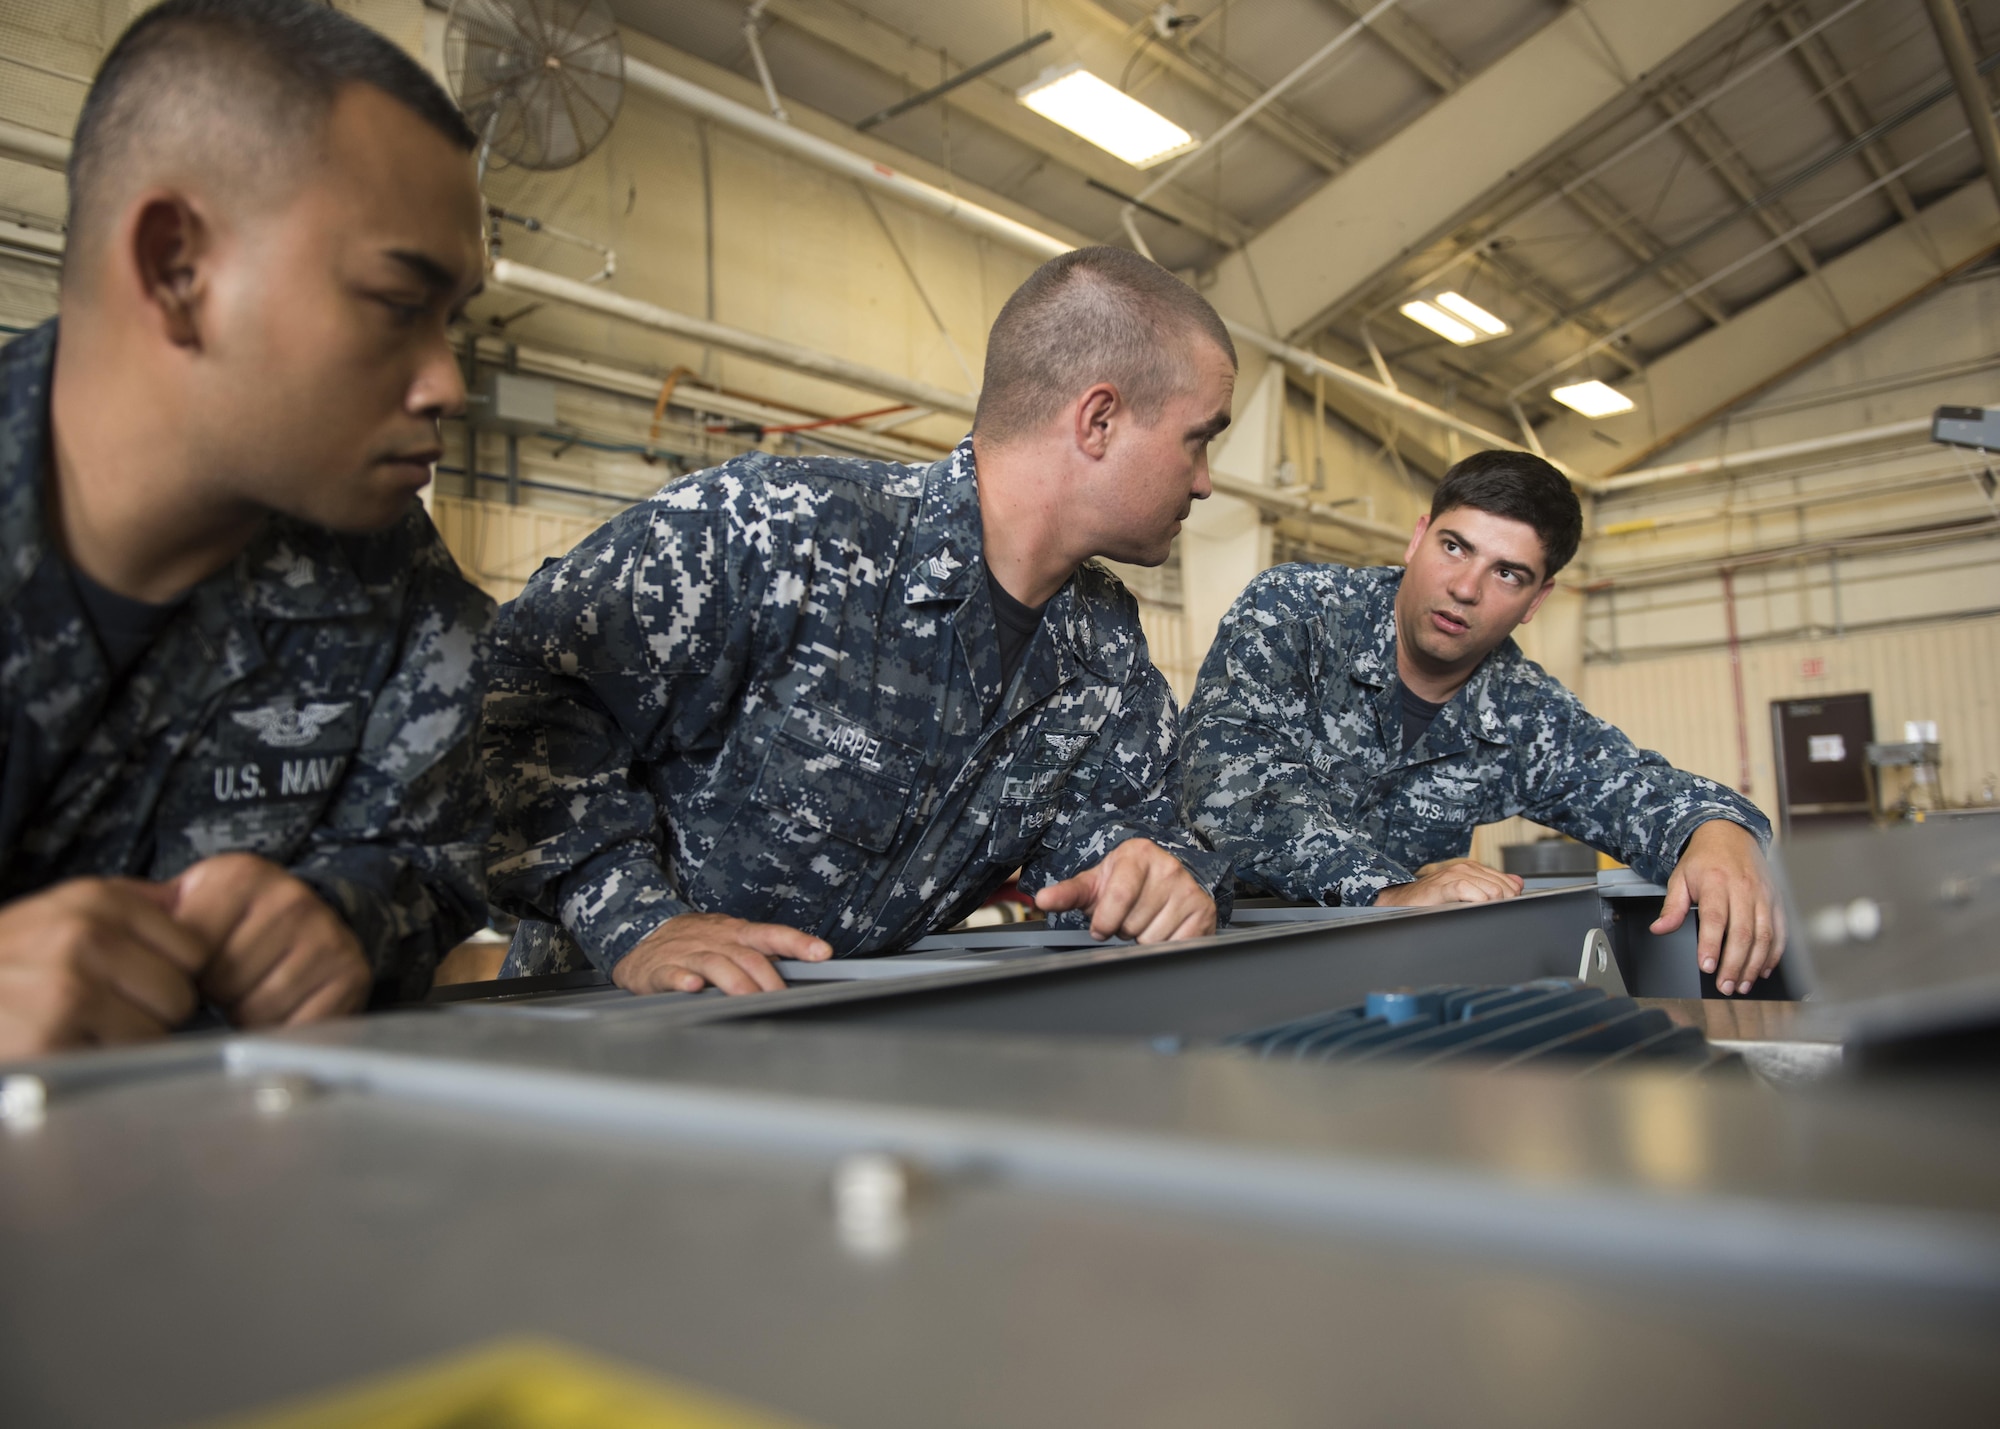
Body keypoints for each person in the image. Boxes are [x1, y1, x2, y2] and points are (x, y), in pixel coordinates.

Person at [487, 246, 1233, 995]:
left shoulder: (1106, 651)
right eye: (1197, 438)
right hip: (609, 1038)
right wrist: (636, 919)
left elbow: (1126, 838)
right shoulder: (782, 532)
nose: (1204, 482)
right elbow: (510, 688)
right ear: (1099, 420)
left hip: (840, 1061)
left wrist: (1152, 879)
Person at [0, 0, 494, 1059]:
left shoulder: (398, 590)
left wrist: (340, 921)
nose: (448, 381)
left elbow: (440, 857)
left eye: (453, 318)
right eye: (395, 301)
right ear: (178, 270)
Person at [1181, 449, 1784, 996]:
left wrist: (1716, 830)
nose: (1466, 588)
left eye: (1507, 573)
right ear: (1417, 538)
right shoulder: (1297, 610)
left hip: (1386, 991)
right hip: (1221, 959)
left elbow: (1628, 784)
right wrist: (1392, 888)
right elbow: (1227, 792)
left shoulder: (1520, 706)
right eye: (1454, 547)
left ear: (1536, 601)